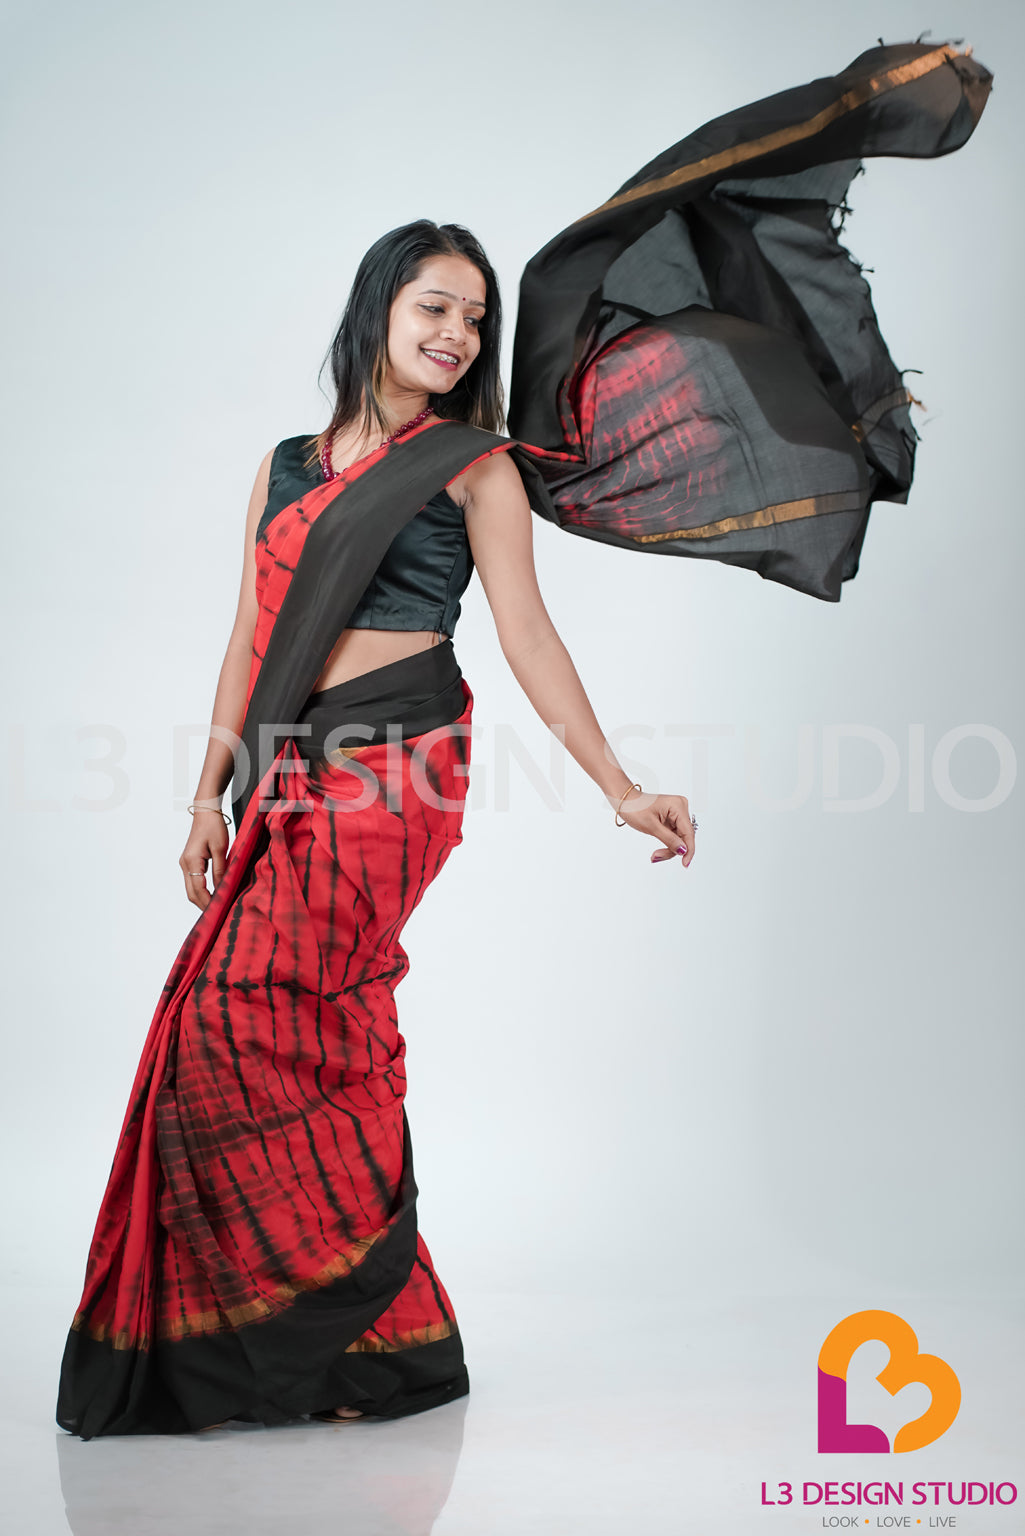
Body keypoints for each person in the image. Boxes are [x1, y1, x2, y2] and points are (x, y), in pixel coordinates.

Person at [56, 36, 990, 1440]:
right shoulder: (284, 467)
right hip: (289, 773)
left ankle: (322, 1333)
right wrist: (207, 800)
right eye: (434, 307)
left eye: (474, 320)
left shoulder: (473, 464)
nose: (455, 335)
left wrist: (617, 784)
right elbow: (248, 643)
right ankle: (366, 1335)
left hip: (399, 772)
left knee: (255, 1014)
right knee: (302, 1025)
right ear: (377, 308)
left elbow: (530, 639)